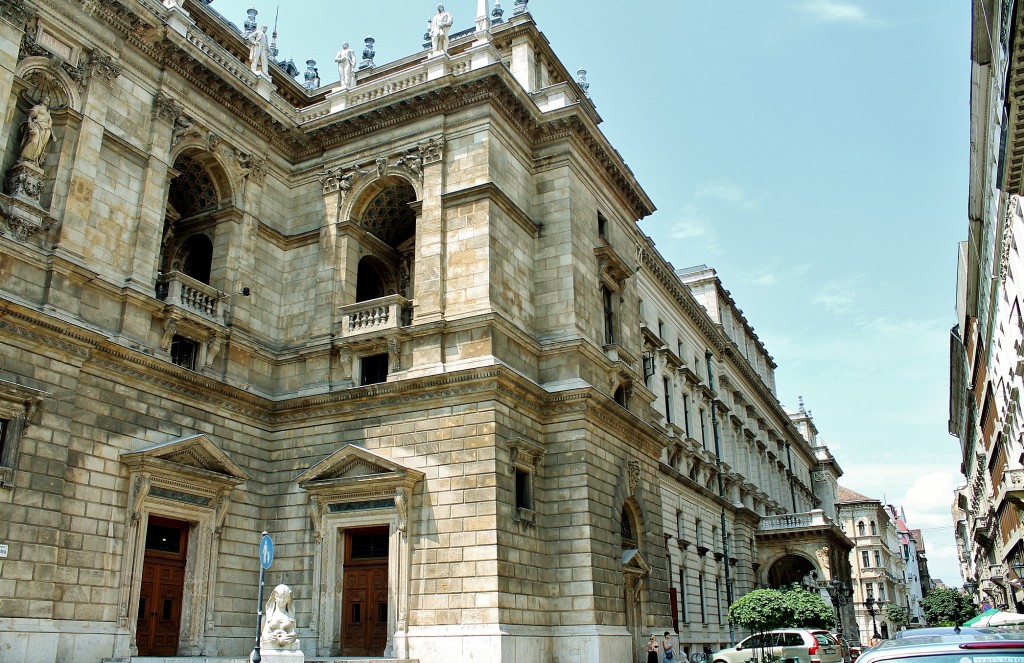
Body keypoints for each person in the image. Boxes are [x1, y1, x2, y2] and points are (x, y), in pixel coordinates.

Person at [19, 94, 53, 167]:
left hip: (45, 129)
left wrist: (53, 134)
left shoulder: (48, 112)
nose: (48, 101)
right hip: (36, 125)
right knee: (34, 140)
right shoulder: (37, 107)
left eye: (49, 101)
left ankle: (34, 159)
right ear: (41, 99)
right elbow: (31, 115)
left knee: (40, 146)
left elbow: (50, 124)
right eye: (46, 99)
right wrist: (29, 123)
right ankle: (24, 157)